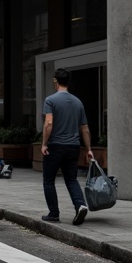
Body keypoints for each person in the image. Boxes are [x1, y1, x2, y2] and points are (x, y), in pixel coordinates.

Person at [41, 68, 93, 225]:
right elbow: (85, 128)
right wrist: (89, 149)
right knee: (71, 179)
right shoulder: (78, 102)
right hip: (73, 147)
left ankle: (54, 213)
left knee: (49, 180)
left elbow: (48, 123)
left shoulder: (50, 100)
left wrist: (44, 143)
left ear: (55, 81)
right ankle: (80, 205)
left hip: (55, 146)